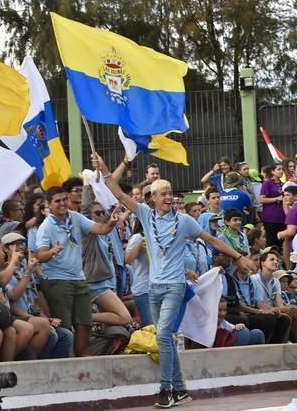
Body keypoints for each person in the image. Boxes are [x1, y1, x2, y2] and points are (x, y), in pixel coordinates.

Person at [96, 153, 257, 409]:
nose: (168, 197)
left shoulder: (184, 221)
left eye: (170, 193)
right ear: (153, 199)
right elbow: (118, 194)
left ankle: (166, 389)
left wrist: (238, 256)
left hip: (174, 287)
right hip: (153, 288)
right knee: (166, 338)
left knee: (163, 336)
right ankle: (180, 389)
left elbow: (212, 240)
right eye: (163, 194)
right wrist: (105, 169)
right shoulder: (146, 217)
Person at [35, 186, 120, 357]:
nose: (62, 203)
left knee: (84, 322)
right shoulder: (46, 226)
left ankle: (82, 359)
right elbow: (40, 255)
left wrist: (110, 223)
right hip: (56, 279)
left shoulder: (75, 217)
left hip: (79, 278)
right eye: (57, 201)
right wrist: (52, 252)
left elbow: (100, 229)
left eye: (64, 199)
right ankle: (66, 361)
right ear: (49, 205)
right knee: (64, 325)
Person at [251, 249, 293, 343]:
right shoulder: (254, 279)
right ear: (262, 263)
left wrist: (288, 308)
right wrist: (272, 310)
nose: (275, 262)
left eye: (277, 260)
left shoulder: (276, 282)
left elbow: (279, 305)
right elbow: (259, 304)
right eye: (272, 259)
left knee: (286, 318)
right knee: (271, 318)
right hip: (257, 311)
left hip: (272, 311)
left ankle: (278, 346)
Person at [125, 219, 152, 326]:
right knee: (150, 329)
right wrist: (139, 244)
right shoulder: (138, 237)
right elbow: (127, 259)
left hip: (159, 289)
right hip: (144, 290)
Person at [260, 163, 285, 248]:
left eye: (282, 169)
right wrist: (276, 199)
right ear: (272, 171)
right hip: (271, 218)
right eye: (278, 169)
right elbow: (262, 199)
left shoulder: (283, 184)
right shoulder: (267, 183)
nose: (281, 171)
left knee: (281, 243)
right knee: (272, 243)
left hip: (282, 218)